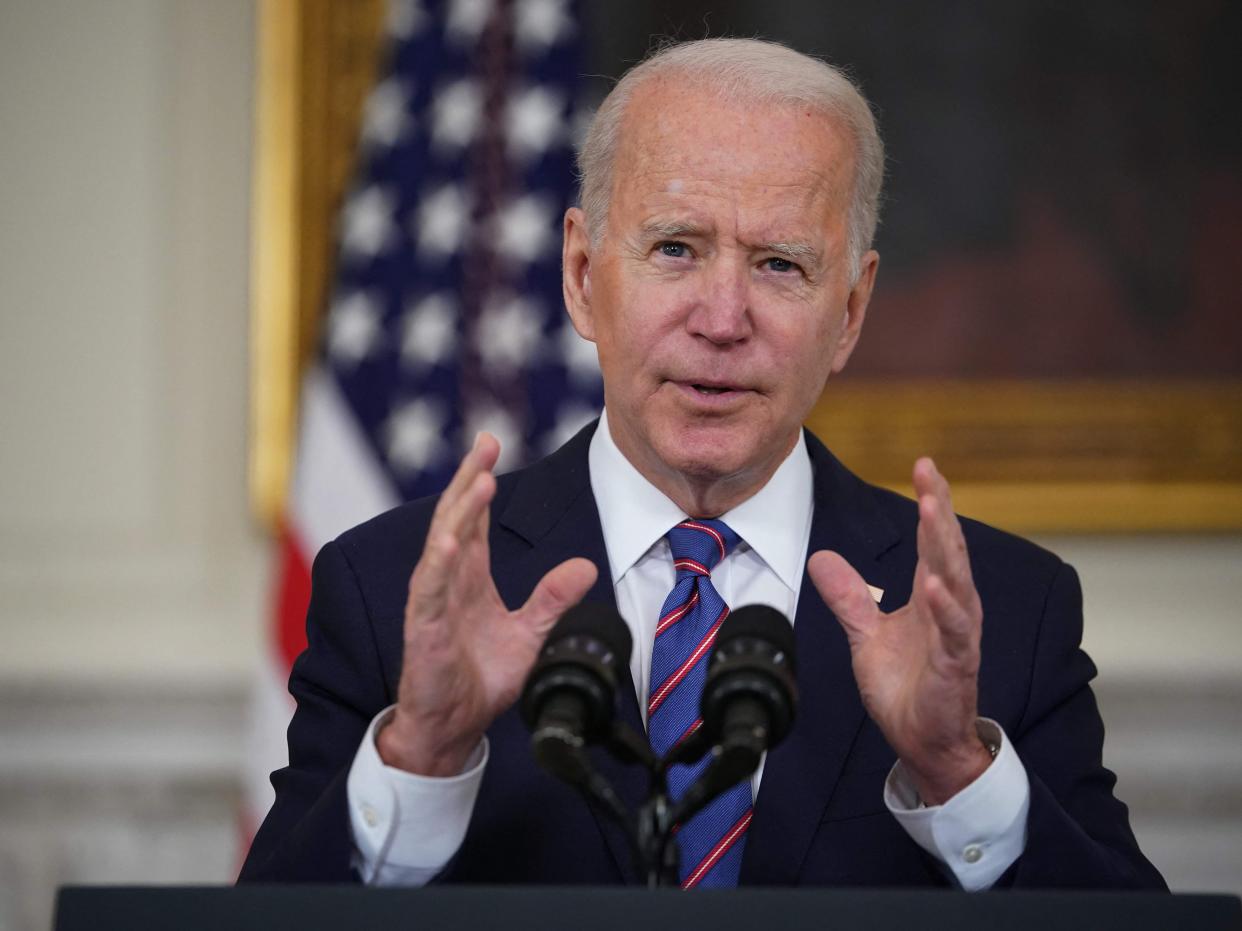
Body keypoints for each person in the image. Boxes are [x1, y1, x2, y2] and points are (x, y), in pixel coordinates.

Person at [239, 38, 1165, 890]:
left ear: (849, 311)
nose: (723, 319)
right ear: (579, 273)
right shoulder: (389, 589)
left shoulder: (1003, 610)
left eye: (779, 265)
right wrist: (420, 754)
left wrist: (959, 773)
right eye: (675, 249)